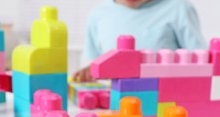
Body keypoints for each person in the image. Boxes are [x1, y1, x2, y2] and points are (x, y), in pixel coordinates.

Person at [73, 0, 207, 82]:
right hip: (114, 103)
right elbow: (95, 62)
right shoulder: (97, 14)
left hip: (165, 100)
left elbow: (201, 61)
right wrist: (90, 71)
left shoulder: (179, 8)